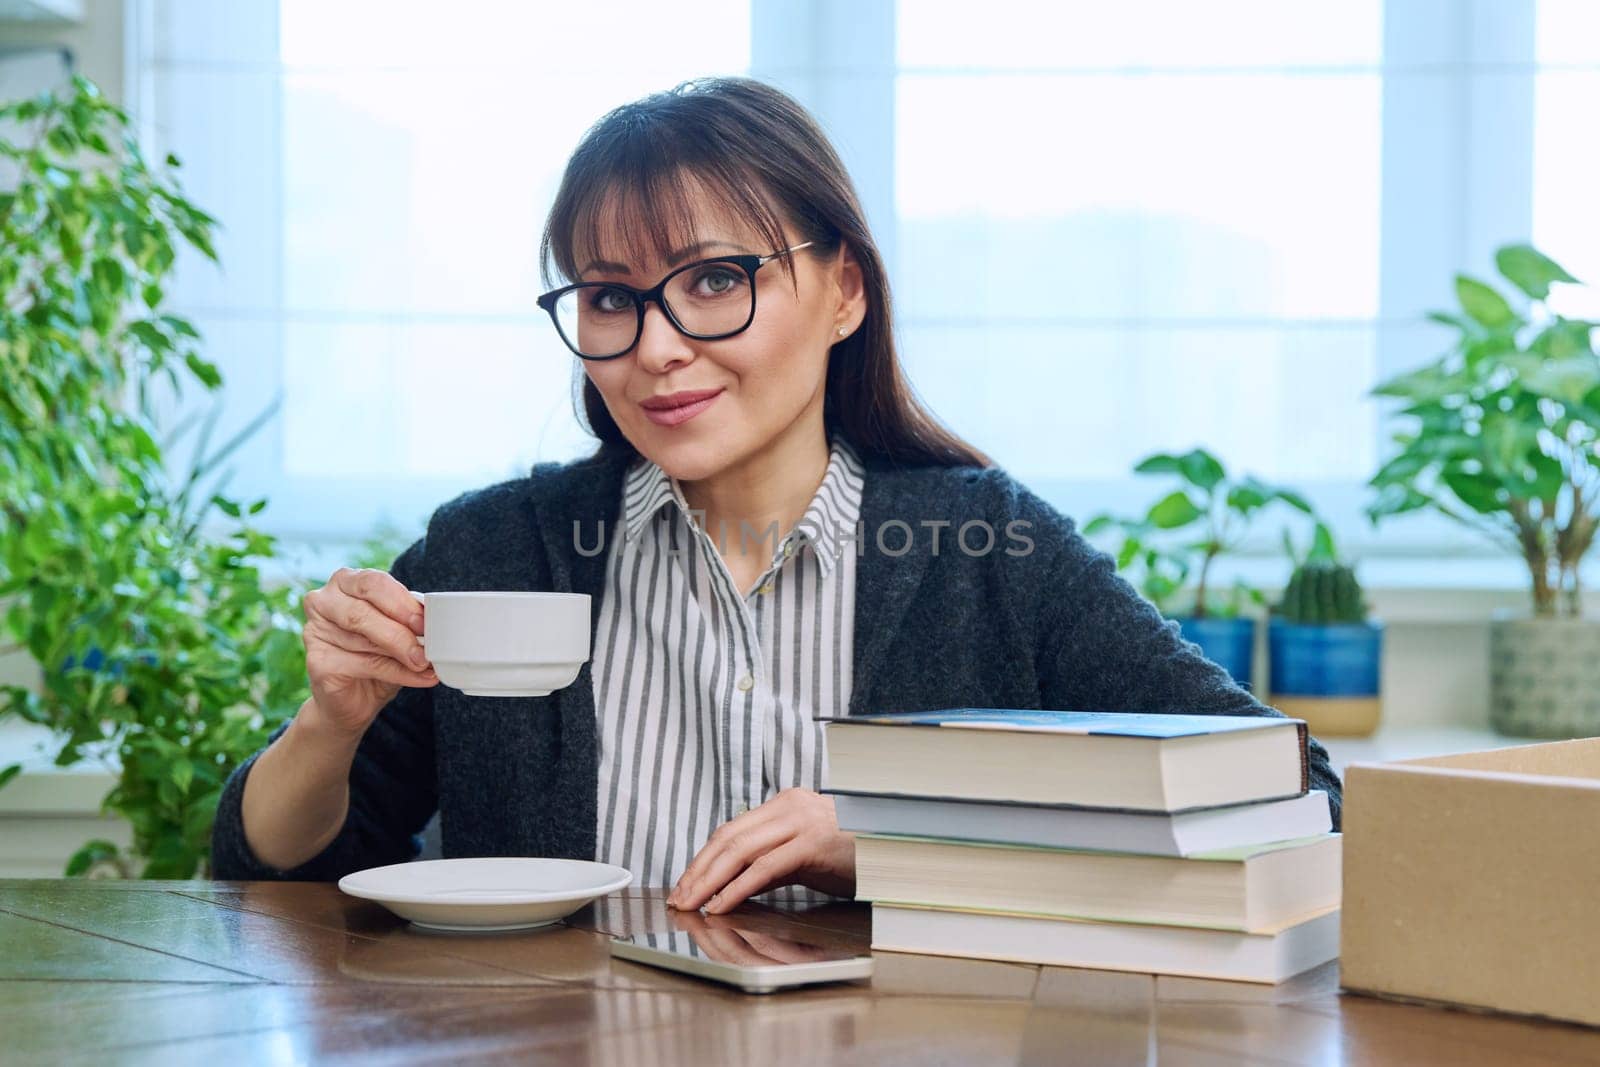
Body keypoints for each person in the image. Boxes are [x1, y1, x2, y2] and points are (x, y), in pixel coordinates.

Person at [211, 77, 1343, 912]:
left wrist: (900, 837)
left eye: (714, 281)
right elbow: (272, 864)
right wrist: (331, 722)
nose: (657, 347)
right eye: (610, 298)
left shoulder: (983, 546)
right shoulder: (497, 546)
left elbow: (1298, 793)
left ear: (843, 289)